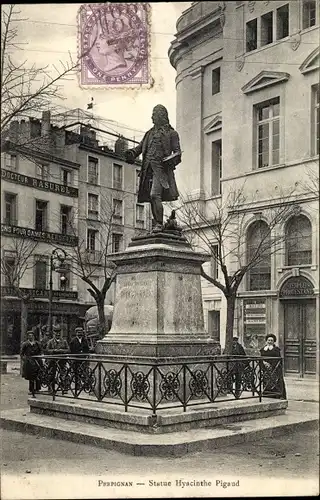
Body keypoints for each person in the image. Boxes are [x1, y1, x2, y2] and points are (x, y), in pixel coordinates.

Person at [125, 104, 181, 232]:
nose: (151, 117)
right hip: (147, 169)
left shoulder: (172, 133)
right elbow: (139, 148)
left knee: (154, 195)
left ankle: (159, 224)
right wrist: (132, 153)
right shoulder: (148, 134)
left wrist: (170, 160)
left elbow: (178, 153)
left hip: (161, 170)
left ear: (161, 116)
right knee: (151, 197)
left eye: (154, 115)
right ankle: (157, 223)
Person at [260, 334, 287, 400]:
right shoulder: (263, 349)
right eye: (268, 340)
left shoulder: (276, 349)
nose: (270, 341)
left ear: (274, 341)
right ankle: (267, 394)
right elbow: (261, 358)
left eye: (271, 340)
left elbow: (278, 358)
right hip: (266, 368)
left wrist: (271, 365)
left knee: (277, 381)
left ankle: (278, 395)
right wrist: (264, 364)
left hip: (275, 368)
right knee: (266, 381)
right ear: (266, 341)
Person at [46, 325, 69, 394]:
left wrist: (62, 350)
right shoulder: (50, 342)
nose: (58, 334)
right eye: (56, 332)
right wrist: (54, 350)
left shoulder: (64, 341)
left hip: (62, 360)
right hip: (53, 360)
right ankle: (51, 388)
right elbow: (47, 350)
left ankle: (64, 387)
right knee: (51, 374)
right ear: (54, 333)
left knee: (63, 373)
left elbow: (68, 349)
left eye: (59, 332)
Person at [20, 331, 42, 397]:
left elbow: (40, 351)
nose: (30, 337)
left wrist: (39, 357)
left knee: (38, 374)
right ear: (27, 336)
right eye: (29, 335)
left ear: (34, 336)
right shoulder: (25, 344)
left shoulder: (37, 343)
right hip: (29, 361)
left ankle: (37, 388)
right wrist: (25, 359)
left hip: (37, 360)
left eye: (32, 335)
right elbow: (21, 353)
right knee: (31, 376)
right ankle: (31, 389)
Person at [69, 327, 90, 393]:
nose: (80, 334)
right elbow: (72, 351)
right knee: (77, 372)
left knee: (85, 372)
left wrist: (86, 355)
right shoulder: (73, 341)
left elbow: (87, 349)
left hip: (83, 359)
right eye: (78, 332)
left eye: (81, 332)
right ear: (76, 333)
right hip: (76, 359)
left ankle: (86, 385)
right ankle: (77, 385)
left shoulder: (85, 340)